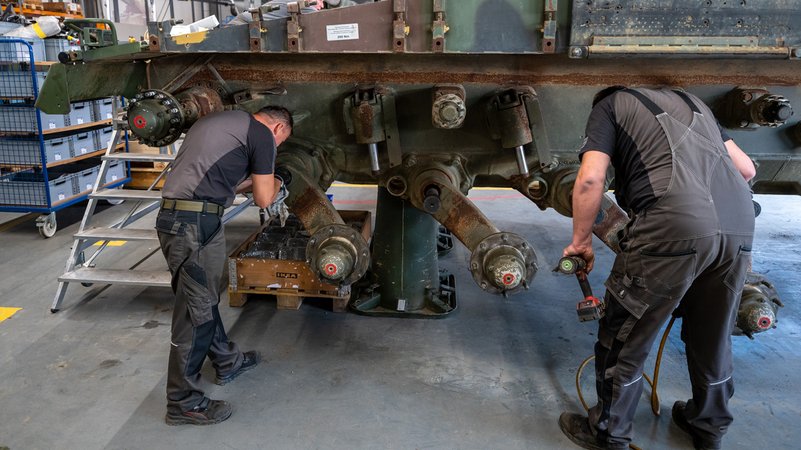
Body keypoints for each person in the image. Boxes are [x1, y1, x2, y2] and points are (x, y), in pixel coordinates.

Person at [559, 86, 756, 450]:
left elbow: (590, 178)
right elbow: (746, 169)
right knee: (714, 335)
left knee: (625, 335)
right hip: (740, 224)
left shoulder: (608, 105)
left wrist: (581, 241)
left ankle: (609, 432)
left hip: (672, 225)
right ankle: (708, 428)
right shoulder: (696, 102)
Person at [156, 106, 293, 426]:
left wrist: (261, 179)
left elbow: (228, 183)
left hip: (176, 218)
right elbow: (264, 198)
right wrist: (280, 178)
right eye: (281, 142)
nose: (275, 147)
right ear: (278, 129)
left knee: (202, 299)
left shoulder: (223, 122)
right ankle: (183, 402)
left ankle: (227, 360)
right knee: (194, 312)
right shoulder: (262, 135)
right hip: (194, 224)